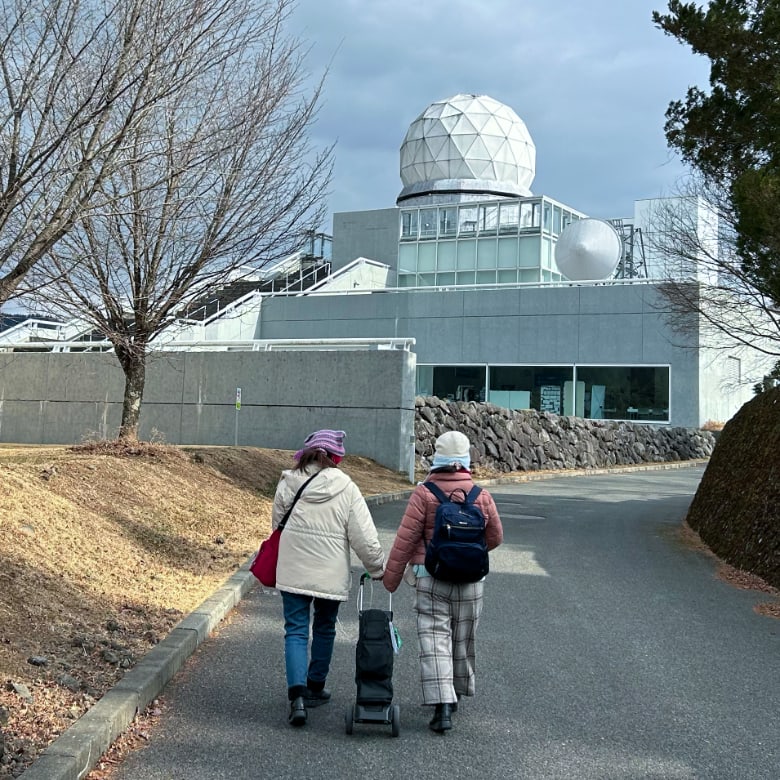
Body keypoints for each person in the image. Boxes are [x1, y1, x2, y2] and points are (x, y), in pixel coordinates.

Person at [382, 430, 503, 734]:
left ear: (437, 459)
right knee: (462, 639)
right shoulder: (480, 495)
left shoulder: (424, 494)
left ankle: (442, 707)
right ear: (465, 461)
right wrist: (468, 556)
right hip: (471, 582)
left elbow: (405, 540)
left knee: (434, 641)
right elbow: (496, 537)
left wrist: (391, 579)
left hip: (430, 578)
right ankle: (456, 692)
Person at [273, 428, 385, 727]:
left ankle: (296, 697)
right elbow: (364, 537)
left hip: (293, 567)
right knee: (324, 628)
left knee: (296, 630)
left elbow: (277, 526)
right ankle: (315, 686)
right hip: (329, 572)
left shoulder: (288, 481)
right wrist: (377, 569)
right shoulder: (346, 487)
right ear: (336, 457)